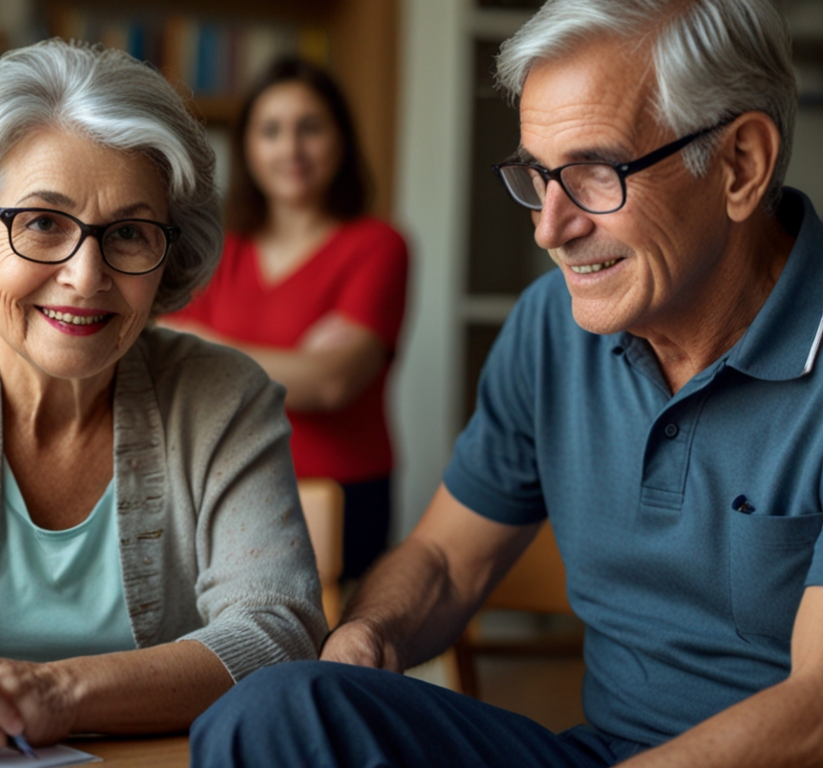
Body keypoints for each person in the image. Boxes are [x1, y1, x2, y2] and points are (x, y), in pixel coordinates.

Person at [189, 0, 823, 766]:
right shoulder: (552, 326)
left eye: (595, 173)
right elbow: (449, 560)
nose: (549, 228)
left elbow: (814, 712)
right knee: (274, 711)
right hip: (600, 753)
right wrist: (370, 632)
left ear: (740, 165)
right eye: (537, 175)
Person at [0, 39, 326, 764]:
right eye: (43, 222)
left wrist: (58, 694)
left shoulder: (223, 397)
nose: (85, 276)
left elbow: (278, 630)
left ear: (166, 259)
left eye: (131, 234)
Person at [161, 57, 409, 580]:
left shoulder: (378, 246)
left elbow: (334, 382)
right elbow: (166, 360)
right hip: (225, 485)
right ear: (247, 147)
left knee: (324, 655)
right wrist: (295, 363)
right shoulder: (218, 251)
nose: (290, 149)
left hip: (343, 493)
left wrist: (206, 344)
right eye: (271, 130)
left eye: (310, 128)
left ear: (341, 139)